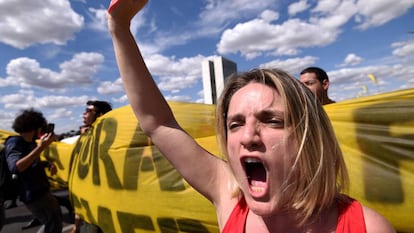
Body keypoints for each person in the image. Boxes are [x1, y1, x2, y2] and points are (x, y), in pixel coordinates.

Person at [107, 1, 396, 232]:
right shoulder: (230, 197)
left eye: (271, 121)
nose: (247, 137)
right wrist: (119, 27)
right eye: (235, 124)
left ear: (312, 136)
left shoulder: (367, 227)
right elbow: (158, 124)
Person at [4, 109, 62, 233]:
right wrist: (42, 147)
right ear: (33, 128)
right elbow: (16, 167)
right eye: (40, 128)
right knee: (53, 225)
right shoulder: (14, 142)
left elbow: (32, 163)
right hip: (33, 194)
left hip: (41, 190)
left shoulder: (30, 143)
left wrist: (47, 163)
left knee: (54, 222)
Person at [71, 100, 112, 233]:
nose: (84, 113)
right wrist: (77, 223)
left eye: (88, 111)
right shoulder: (84, 138)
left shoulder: (110, 139)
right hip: (91, 207)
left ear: (99, 115)